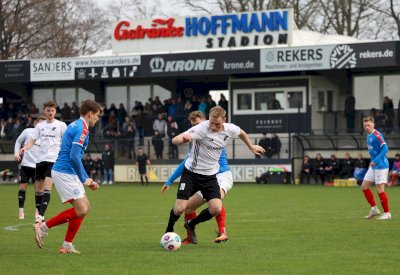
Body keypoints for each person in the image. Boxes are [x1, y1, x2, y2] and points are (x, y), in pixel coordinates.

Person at [163, 106, 265, 244]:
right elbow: (175, 140)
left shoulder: (230, 128)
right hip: (191, 173)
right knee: (181, 207)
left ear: (224, 120)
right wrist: (183, 138)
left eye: (217, 124)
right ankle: (169, 229)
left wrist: (251, 146)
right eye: (211, 122)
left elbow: (241, 132)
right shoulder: (201, 129)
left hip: (210, 175)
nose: (213, 126)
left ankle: (192, 224)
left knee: (216, 208)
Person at [34, 100, 102, 253]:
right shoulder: (82, 128)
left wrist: (83, 178)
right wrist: (85, 179)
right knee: (81, 209)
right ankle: (44, 227)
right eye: (96, 116)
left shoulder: (75, 124)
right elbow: (74, 157)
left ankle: (67, 245)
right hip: (65, 172)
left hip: (67, 172)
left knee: (85, 208)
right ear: (90, 114)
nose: (97, 119)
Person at [162, 111, 231, 243]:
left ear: (205, 122)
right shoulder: (197, 140)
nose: (195, 128)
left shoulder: (213, 136)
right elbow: (185, 163)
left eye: (197, 124)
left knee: (216, 201)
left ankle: (222, 231)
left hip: (220, 175)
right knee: (187, 206)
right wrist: (170, 180)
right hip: (201, 175)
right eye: (193, 125)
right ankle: (189, 234)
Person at [19, 101, 67, 229]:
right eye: (48, 110)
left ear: (55, 112)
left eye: (52, 110)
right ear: (44, 111)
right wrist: (25, 148)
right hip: (40, 161)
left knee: (47, 188)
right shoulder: (40, 126)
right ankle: (41, 216)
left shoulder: (61, 125)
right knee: (38, 190)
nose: (50, 113)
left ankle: (40, 216)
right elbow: (32, 141)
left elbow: (66, 142)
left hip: (53, 160)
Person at [14, 116, 46, 219]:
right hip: (26, 164)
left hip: (38, 166)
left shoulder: (46, 136)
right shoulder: (28, 131)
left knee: (39, 190)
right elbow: (18, 141)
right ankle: (21, 211)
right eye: (40, 123)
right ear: (36, 123)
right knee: (23, 187)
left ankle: (37, 211)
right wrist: (16, 153)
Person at [361, 116, 391, 220]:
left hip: (381, 165)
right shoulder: (368, 135)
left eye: (369, 125)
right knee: (364, 187)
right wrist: (372, 162)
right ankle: (374, 209)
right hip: (373, 165)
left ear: (373, 125)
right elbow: (374, 151)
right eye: (365, 125)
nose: (367, 127)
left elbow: (385, 149)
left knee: (379, 189)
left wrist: (376, 161)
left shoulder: (377, 135)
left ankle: (387, 213)